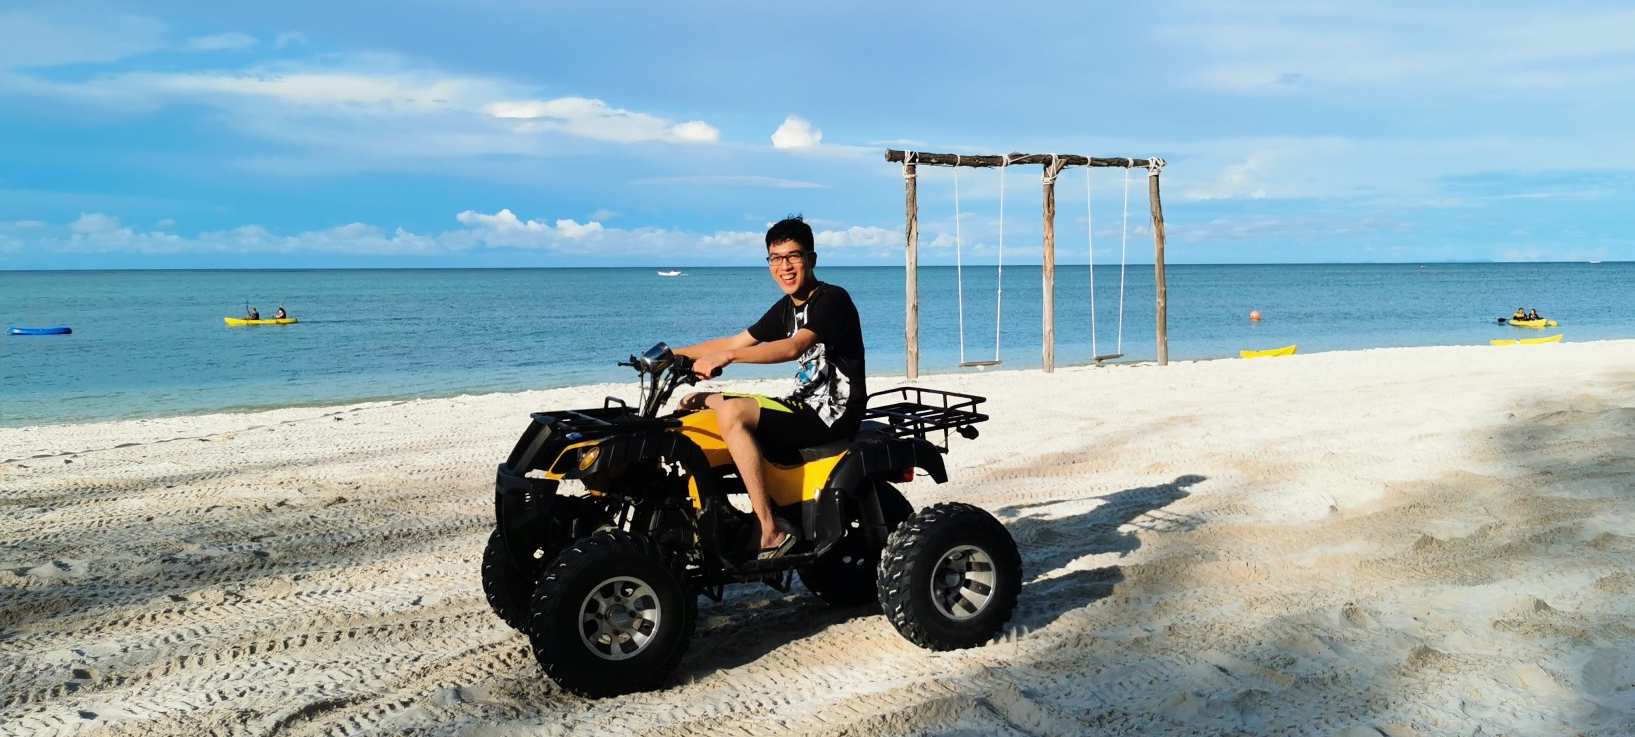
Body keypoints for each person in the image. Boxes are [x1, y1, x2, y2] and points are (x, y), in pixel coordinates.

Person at [674, 216, 866, 560]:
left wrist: (730, 357)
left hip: (832, 414)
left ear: (811, 259)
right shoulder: (786, 308)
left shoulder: (832, 300)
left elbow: (792, 347)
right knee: (695, 405)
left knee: (732, 411)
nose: (785, 266)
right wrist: (672, 354)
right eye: (776, 258)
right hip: (801, 405)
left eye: (793, 256)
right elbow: (737, 338)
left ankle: (770, 530)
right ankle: (709, 516)